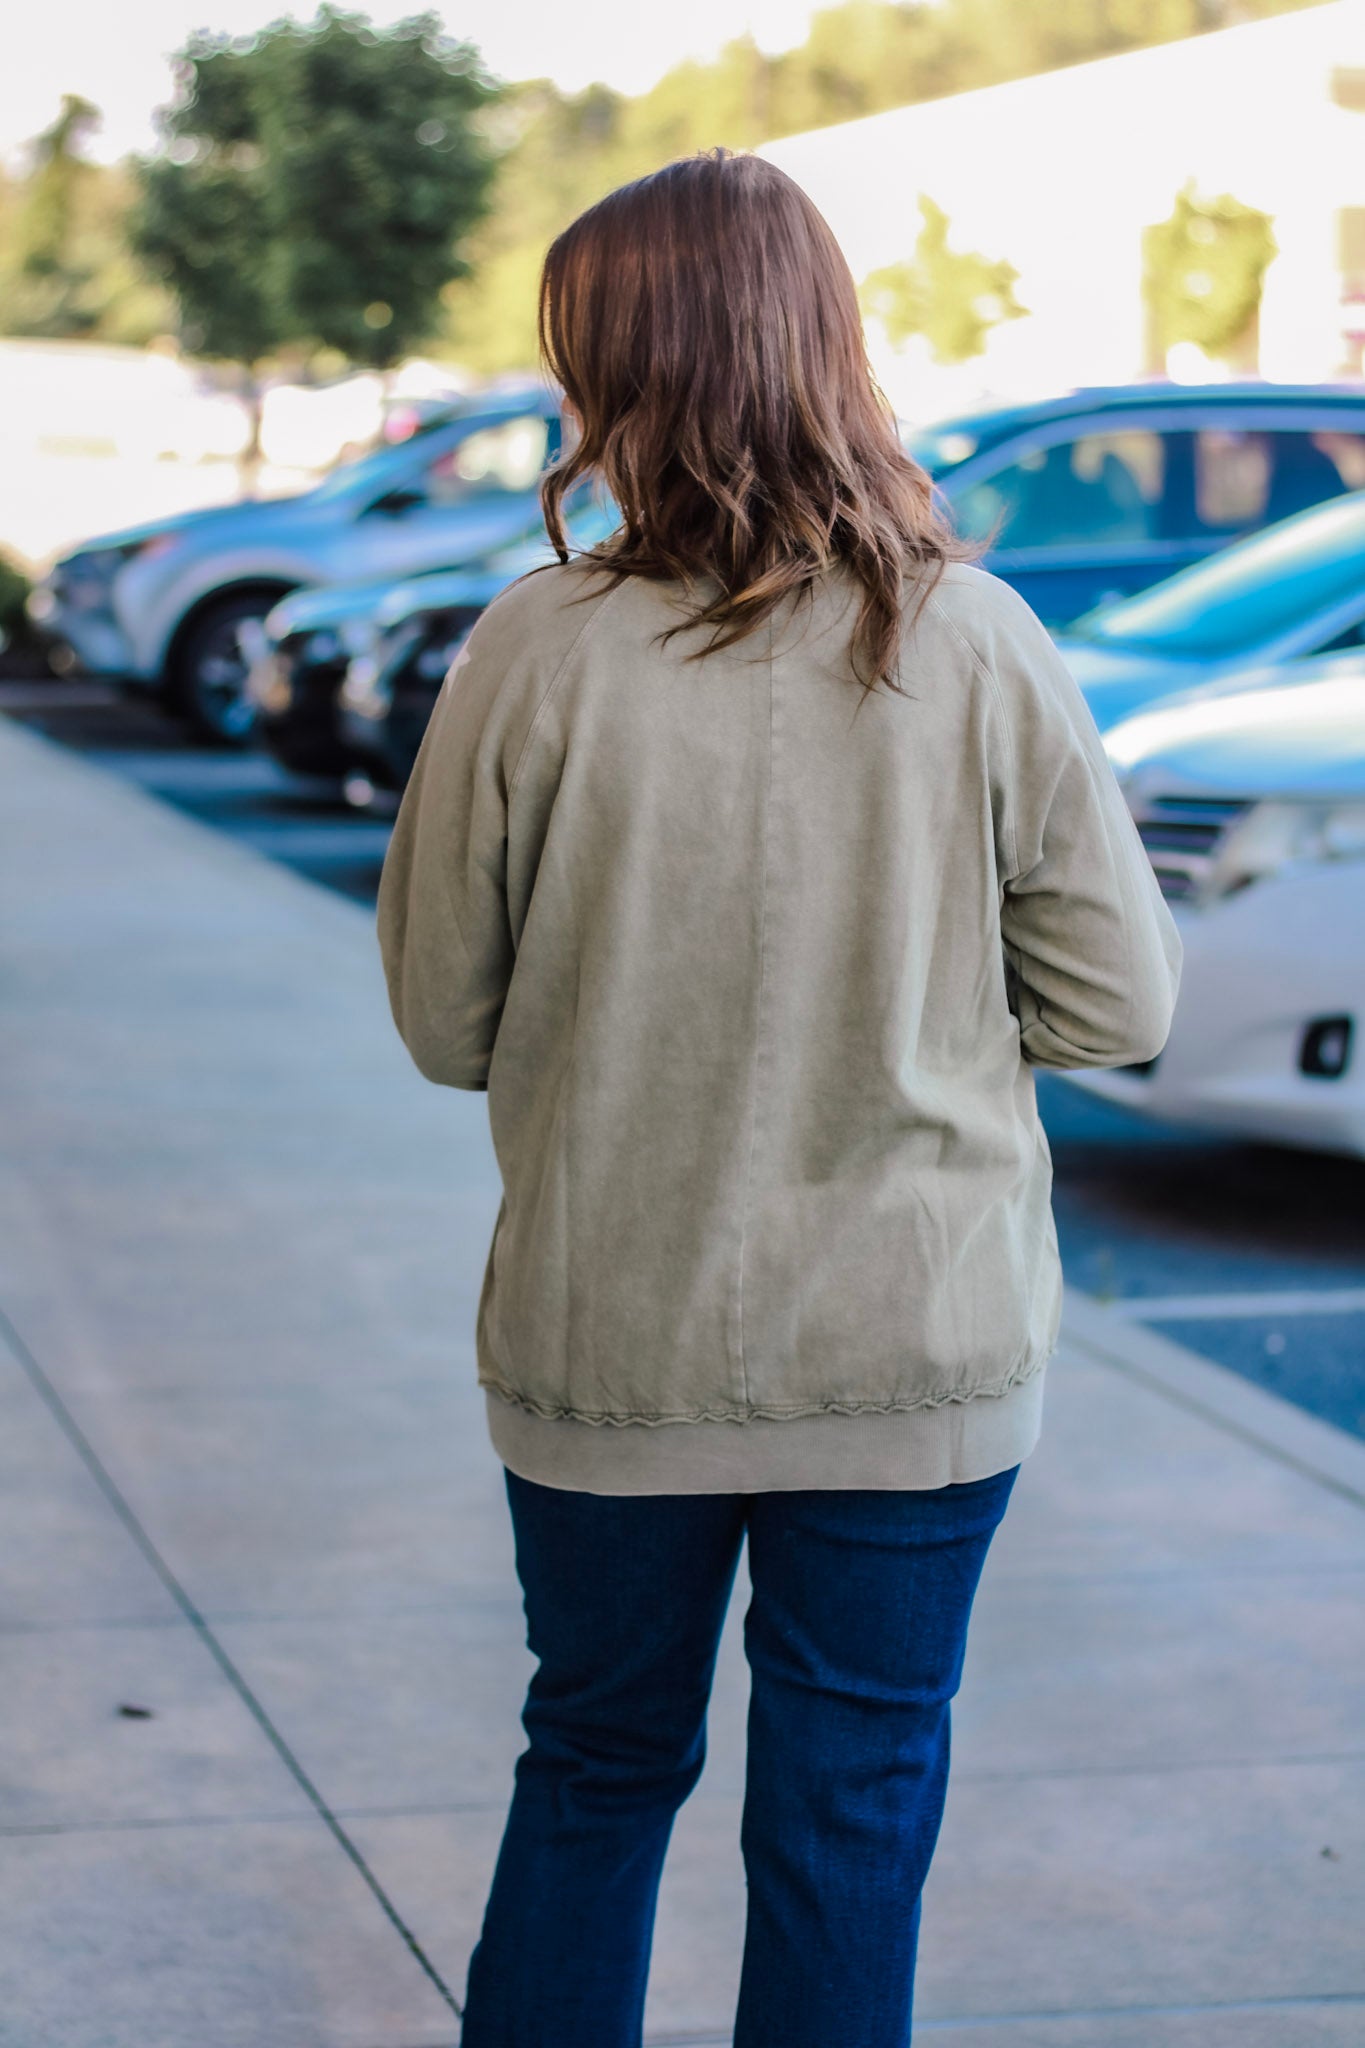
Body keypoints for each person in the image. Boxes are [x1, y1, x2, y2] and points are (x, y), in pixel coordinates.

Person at [376, 148, 1182, 2048]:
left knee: (590, 1770)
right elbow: (1116, 1003)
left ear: (625, 371)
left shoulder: (531, 649)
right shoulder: (971, 640)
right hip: (915, 1337)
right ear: (822, 345)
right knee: (851, 1812)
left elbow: (436, 1015)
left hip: (609, 1322)